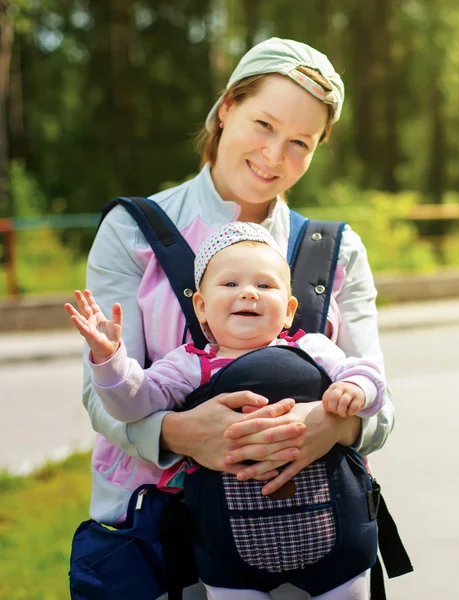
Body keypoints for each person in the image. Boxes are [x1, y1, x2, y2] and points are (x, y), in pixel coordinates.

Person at [80, 37, 395, 599]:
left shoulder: (335, 251)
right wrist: (181, 433)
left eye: (301, 142)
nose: (275, 156)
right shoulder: (132, 233)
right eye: (264, 124)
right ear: (227, 108)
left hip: (315, 534)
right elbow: (100, 397)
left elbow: (381, 406)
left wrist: (333, 424)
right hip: (162, 541)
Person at [66, 222, 386, 599]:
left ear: (288, 309)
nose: (249, 293)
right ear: (201, 307)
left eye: (265, 285)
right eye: (230, 284)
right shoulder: (188, 365)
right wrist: (110, 360)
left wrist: (355, 390)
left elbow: (366, 372)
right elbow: (134, 402)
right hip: (229, 544)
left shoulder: (312, 348)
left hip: (330, 528)